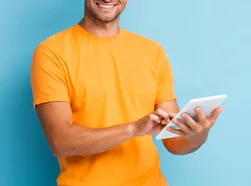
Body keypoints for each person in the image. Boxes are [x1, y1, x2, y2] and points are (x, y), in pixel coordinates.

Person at [29, 0, 224, 185]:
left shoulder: (152, 52)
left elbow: (173, 141)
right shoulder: (51, 52)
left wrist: (197, 136)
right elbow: (59, 140)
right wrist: (134, 128)